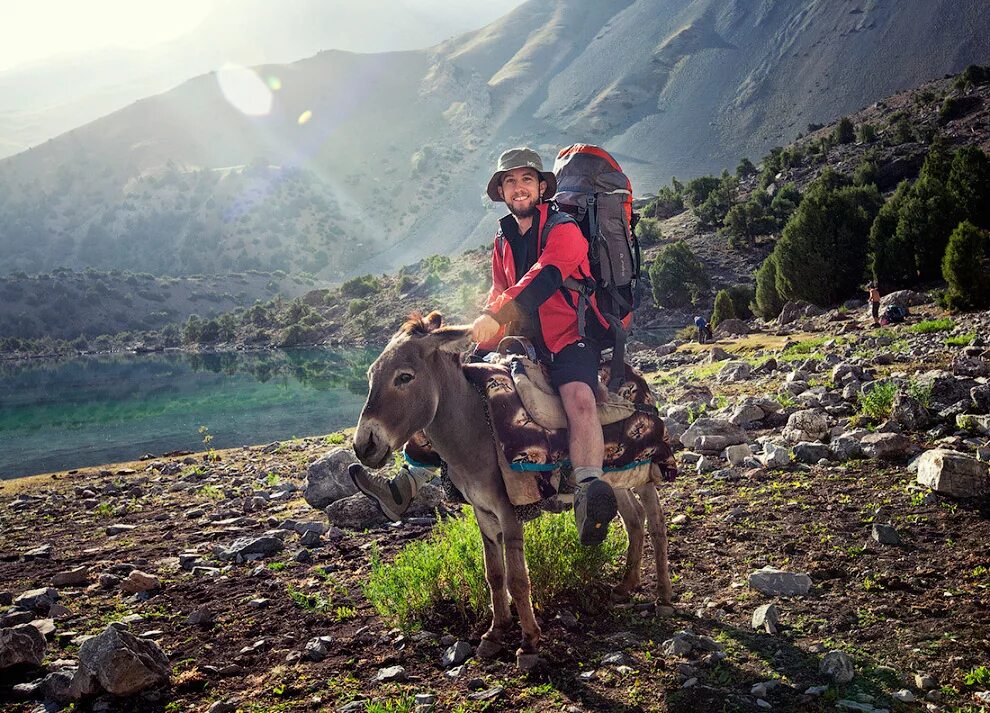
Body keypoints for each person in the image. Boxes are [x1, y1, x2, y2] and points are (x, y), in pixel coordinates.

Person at [351, 147, 618, 546]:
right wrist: (471, 338)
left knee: (579, 396)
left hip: (567, 339)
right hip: (519, 343)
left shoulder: (564, 230)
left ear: (541, 187)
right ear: (503, 192)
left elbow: (543, 278)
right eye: (510, 182)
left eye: (526, 179)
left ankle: (587, 489)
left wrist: (499, 313)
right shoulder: (503, 238)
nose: (518, 188)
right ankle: (408, 482)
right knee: (450, 388)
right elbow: (499, 292)